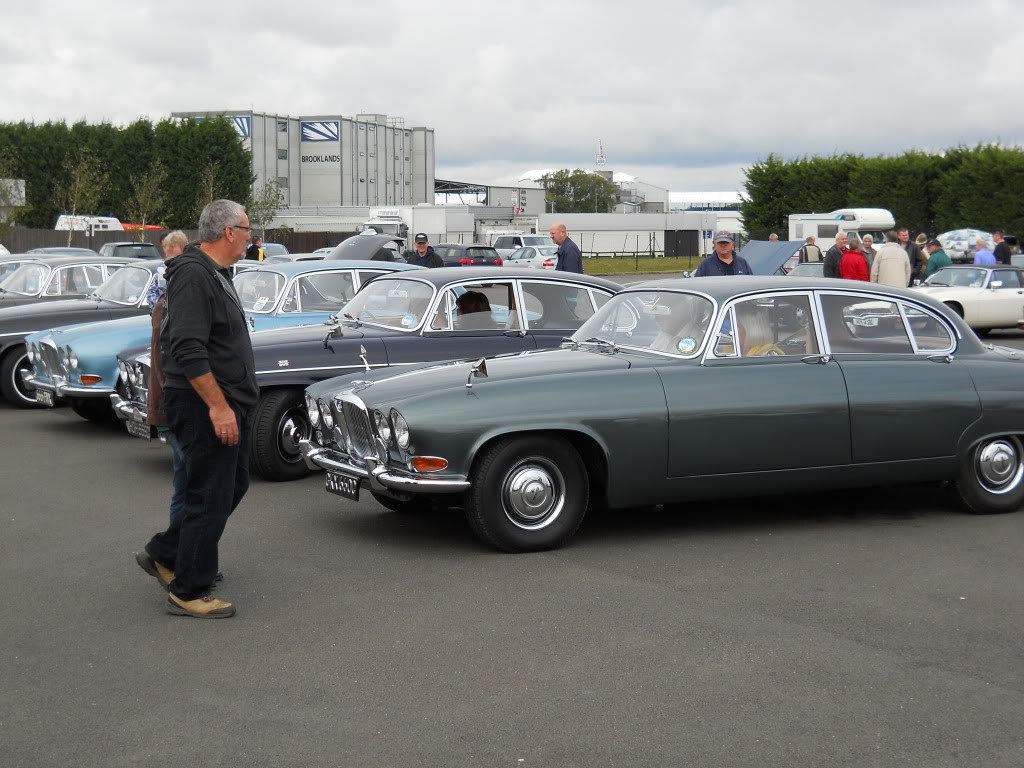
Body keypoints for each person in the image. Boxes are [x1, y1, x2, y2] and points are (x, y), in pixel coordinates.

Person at [135, 199, 258, 619]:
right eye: (246, 229)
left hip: (225, 403)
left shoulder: (214, 273)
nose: (250, 237)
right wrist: (219, 408)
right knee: (209, 494)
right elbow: (187, 349)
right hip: (205, 406)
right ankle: (188, 589)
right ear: (228, 233)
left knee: (231, 486)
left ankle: (166, 553)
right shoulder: (192, 275)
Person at [145, 231, 188, 309]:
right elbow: (151, 293)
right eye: (167, 248)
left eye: (173, 247)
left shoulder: (189, 269)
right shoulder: (162, 267)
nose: (168, 251)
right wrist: (161, 308)